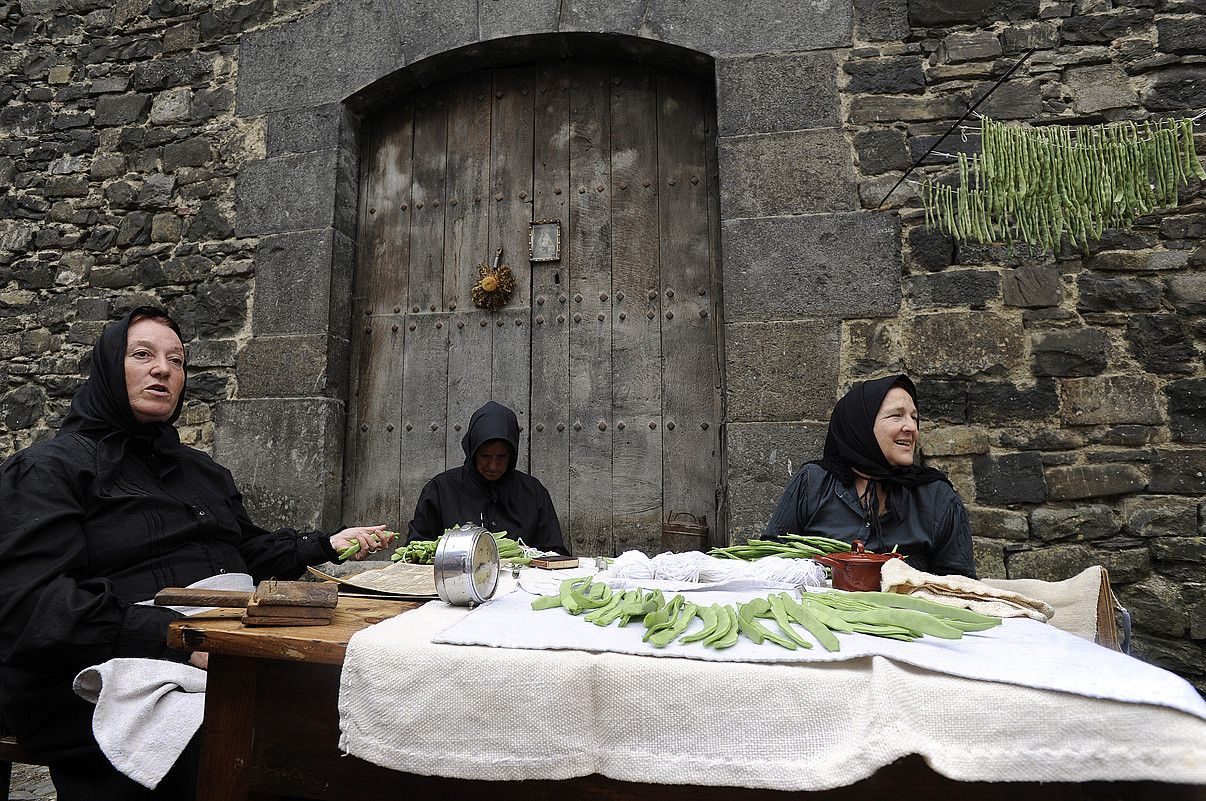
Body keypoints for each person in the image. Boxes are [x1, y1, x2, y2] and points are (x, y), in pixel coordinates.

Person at [0, 306, 392, 800]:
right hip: (105, 666)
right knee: (256, 738)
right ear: (105, 369)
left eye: (177, 360)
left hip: (221, 643)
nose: (163, 369)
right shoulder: (49, 470)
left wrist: (324, 545)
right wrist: (180, 639)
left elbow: (242, 550)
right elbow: (35, 609)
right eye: (142, 355)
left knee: (342, 706)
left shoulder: (201, 471)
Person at [763, 374, 976, 578]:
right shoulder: (813, 482)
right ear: (861, 425)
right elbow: (770, 561)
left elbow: (958, 586)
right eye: (896, 415)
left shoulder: (936, 496)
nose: (911, 427)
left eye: (914, 417)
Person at [407, 401, 566, 554]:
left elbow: (553, 553)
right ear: (472, 451)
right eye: (485, 456)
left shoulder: (533, 492)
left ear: (512, 455)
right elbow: (417, 549)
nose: (493, 466)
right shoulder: (440, 490)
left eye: (502, 457)